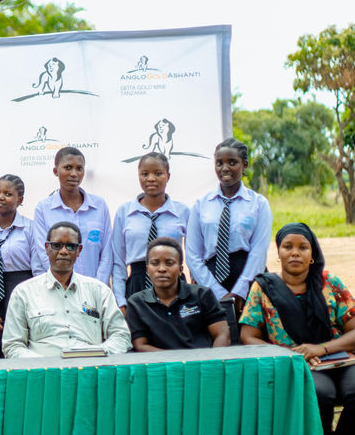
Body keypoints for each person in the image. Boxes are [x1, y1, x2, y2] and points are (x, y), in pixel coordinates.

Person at [240, 223, 355, 435]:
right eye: (288, 247)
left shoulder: (330, 283)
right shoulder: (263, 288)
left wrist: (320, 348)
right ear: (278, 252)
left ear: (312, 254)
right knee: (319, 394)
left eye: (302, 247)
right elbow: (248, 336)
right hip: (298, 363)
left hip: (343, 356)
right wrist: (291, 355)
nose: (295, 253)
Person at [2, 222, 131, 357]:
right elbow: (12, 345)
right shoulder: (24, 292)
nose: (63, 251)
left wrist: (97, 354)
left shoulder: (99, 291)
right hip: (43, 368)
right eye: (56, 245)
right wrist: (43, 363)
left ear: (79, 250)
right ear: (47, 248)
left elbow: (121, 336)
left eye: (70, 246)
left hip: (90, 366)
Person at [185, 138, 272, 328]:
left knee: (250, 332)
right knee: (216, 333)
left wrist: (240, 291)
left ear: (244, 165)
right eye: (219, 163)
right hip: (210, 277)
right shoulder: (201, 205)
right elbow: (192, 255)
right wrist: (217, 293)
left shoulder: (258, 204)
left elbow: (259, 252)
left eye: (232, 162)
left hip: (249, 275)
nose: (225, 168)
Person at [110, 152, 190, 308]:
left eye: (158, 173)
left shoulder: (183, 211)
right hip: (138, 283)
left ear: (168, 176)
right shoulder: (124, 212)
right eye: (145, 174)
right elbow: (118, 261)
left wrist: (196, 290)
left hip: (174, 283)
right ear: (138, 176)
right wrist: (120, 301)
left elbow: (193, 256)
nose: (151, 178)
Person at [123, 237, 230, 351]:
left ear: (180, 269)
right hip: (160, 362)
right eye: (155, 263)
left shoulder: (202, 295)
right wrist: (175, 360)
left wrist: (212, 360)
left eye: (169, 263)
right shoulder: (137, 303)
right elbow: (140, 345)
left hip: (202, 361)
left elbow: (222, 335)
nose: (162, 269)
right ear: (148, 270)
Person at [32, 146, 112, 285]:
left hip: (95, 289)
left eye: (79, 168)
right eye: (68, 168)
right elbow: (43, 253)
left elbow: (107, 253)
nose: (74, 174)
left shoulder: (99, 206)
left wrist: (97, 287)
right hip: (58, 288)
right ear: (55, 171)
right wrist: (63, 283)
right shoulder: (43, 208)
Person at [0, 174, 40, 358]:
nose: (0, 197)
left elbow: (38, 270)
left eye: (8, 194)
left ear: (20, 200)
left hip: (23, 289)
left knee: (22, 344)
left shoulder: (30, 228)